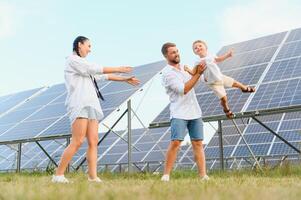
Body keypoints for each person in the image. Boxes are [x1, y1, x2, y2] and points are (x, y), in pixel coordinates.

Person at [52, 36, 140, 183]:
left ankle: (92, 177)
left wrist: (124, 78)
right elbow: (93, 68)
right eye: (88, 46)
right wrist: (119, 68)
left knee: (93, 141)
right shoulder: (72, 60)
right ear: (79, 45)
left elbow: (103, 75)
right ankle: (58, 175)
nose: (90, 49)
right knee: (78, 140)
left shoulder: (84, 63)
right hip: (79, 104)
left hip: (92, 104)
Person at [160, 42, 209, 182]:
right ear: (166, 56)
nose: (177, 54)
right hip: (179, 113)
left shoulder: (184, 68)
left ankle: (203, 175)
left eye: (177, 51)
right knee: (176, 142)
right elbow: (184, 89)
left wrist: (200, 71)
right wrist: (197, 74)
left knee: (198, 143)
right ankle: (166, 175)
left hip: (195, 111)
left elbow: (195, 80)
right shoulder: (167, 74)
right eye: (173, 52)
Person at [185, 40, 255, 118]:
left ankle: (245, 88)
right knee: (224, 98)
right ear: (195, 52)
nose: (198, 48)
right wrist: (188, 70)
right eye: (195, 48)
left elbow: (219, 59)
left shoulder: (211, 56)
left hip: (220, 77)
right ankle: (226, 109)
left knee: (235, 83)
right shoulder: (198, 62)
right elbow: (194, 73)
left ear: (206, 47)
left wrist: (228, 55)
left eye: (200, 46)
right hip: (213, 83)